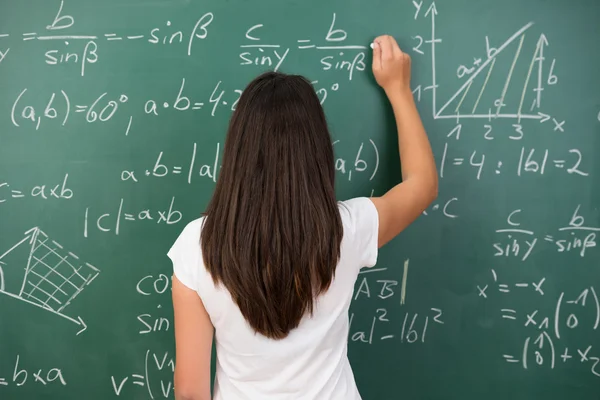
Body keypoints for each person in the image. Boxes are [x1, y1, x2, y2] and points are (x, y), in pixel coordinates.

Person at [168, 35, 438, 400]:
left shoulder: (196, 247)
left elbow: (189, 392)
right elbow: (422, 186)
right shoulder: (345, 231)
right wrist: (398, 88)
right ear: (318, 153)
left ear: (237, 153)